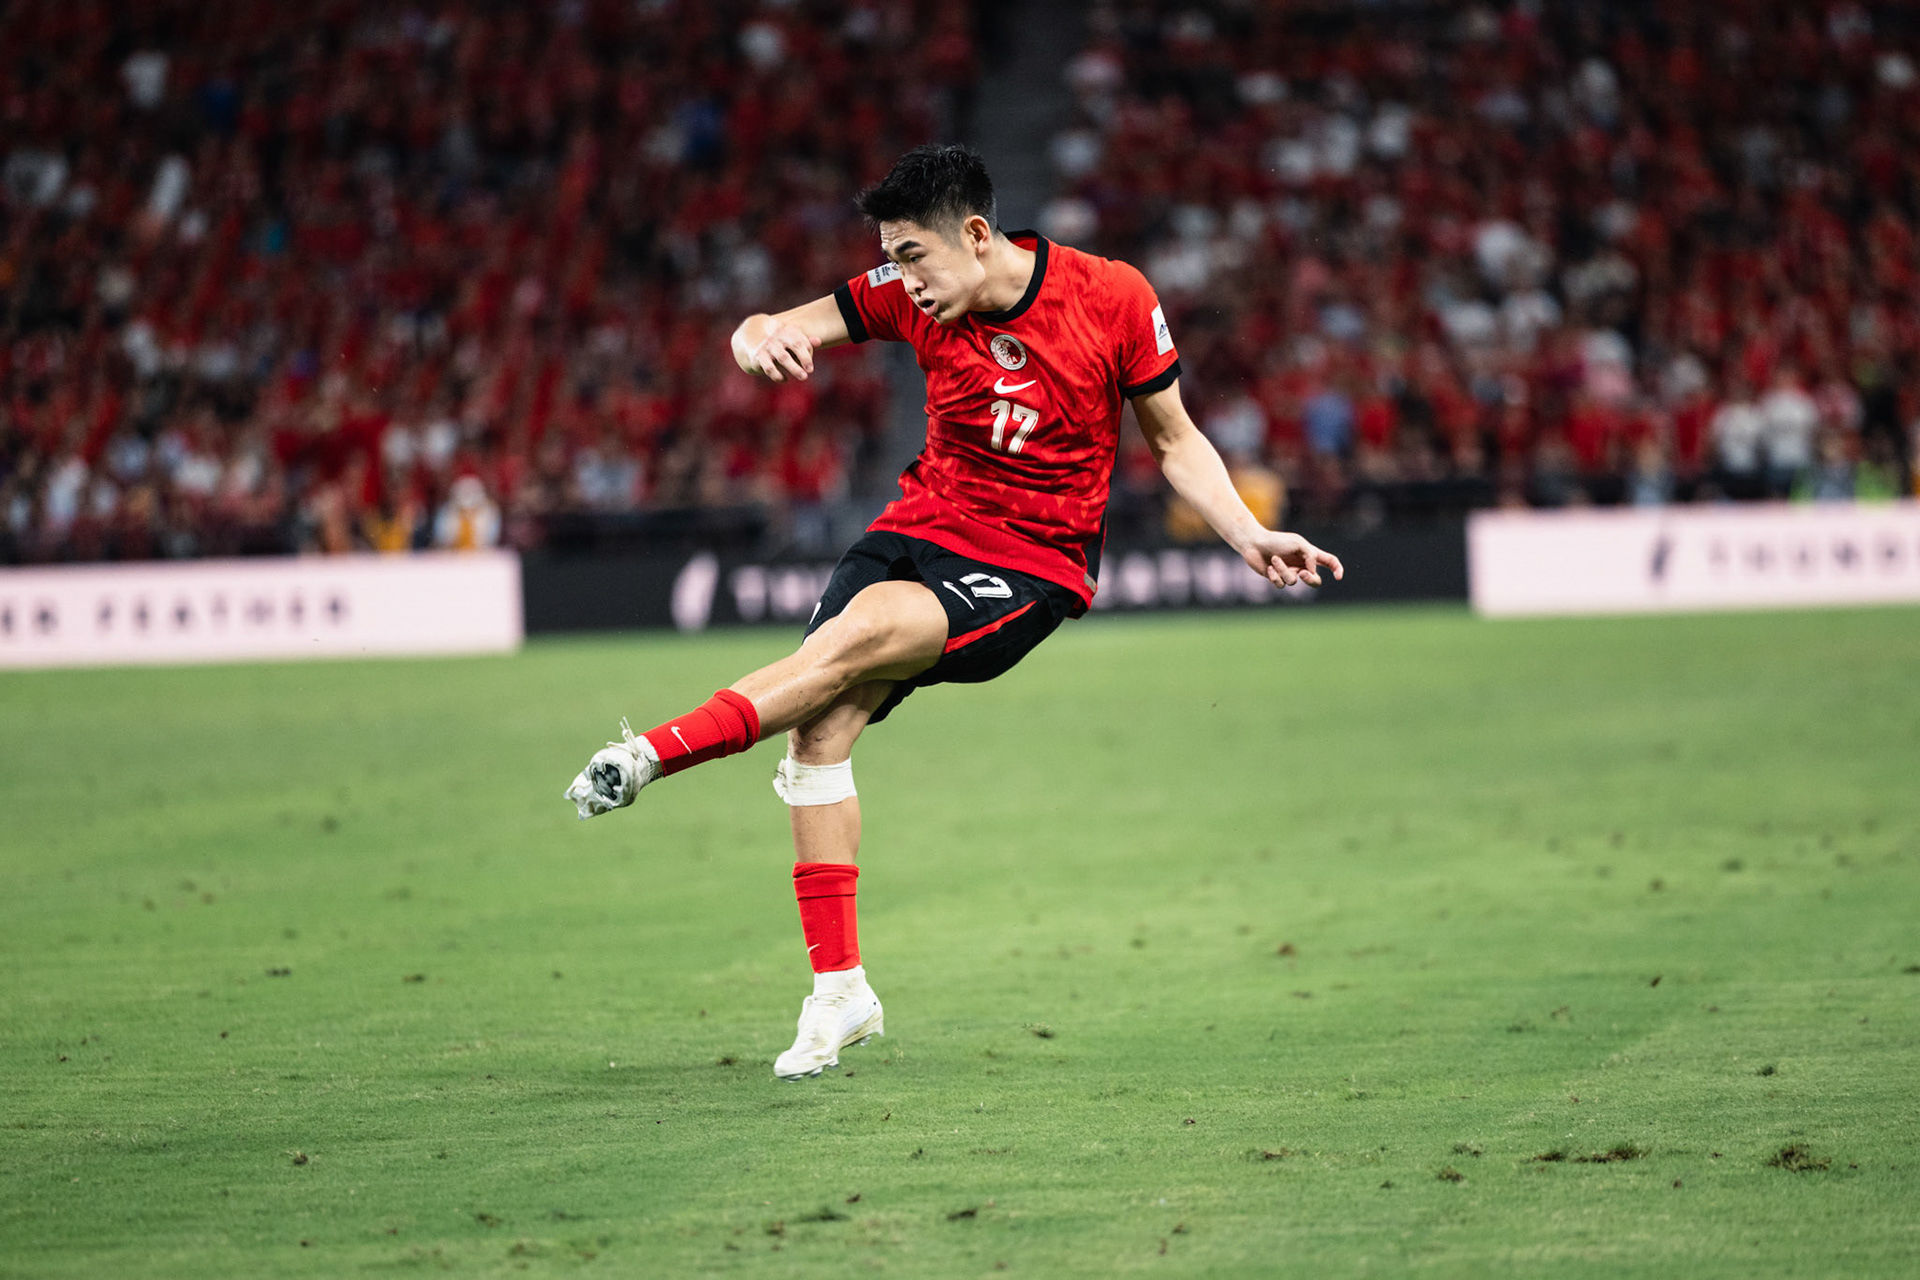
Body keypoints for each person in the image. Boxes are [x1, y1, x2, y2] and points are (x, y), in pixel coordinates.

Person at [562, 146, 1342, 1080]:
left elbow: (1175, 441)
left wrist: (1248, 534)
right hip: (915, 525)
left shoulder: (1113, 298)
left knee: (857, 637)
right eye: (891, 257)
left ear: (976, 235)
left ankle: (648, 753)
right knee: (818, 733)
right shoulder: (904, 291)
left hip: (1030, 561)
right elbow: (775, 324)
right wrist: (756, 333)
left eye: (915, 255)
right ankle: (840, 993)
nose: (904, 279)